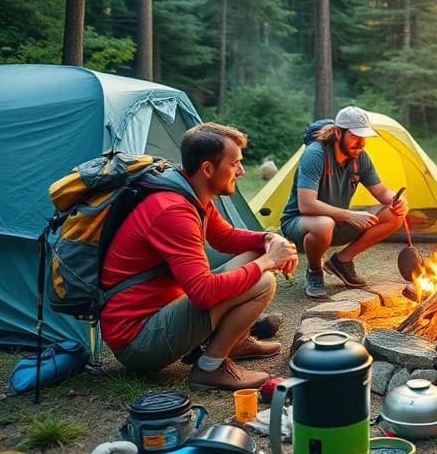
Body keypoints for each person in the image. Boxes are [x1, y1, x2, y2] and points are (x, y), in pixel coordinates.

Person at [100, 123, 298, 391]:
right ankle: (209, 368)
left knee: (255, 253)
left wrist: (268, 240)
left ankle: (234, 341)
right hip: (138, 341)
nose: (241, 171)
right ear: (208, 169)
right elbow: (202, 293)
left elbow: (224, 237)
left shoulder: (189, 190)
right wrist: (268, 261)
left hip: (159, 314)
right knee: (263, 281)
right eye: (234, 164)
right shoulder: (173, 211)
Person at [280, 105, 409, 299]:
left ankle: (342, 261)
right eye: (355, 136)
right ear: (338, 133)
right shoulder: (315, 154)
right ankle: (314, 271)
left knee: (394, 215)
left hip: (335, 222)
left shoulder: (360, 157)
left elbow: (382, 192)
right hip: (299, 223)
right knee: (324, 223)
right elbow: (306, 204)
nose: (361, 143)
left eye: (364, 137)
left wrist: (397, 200)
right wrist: (350, 215)